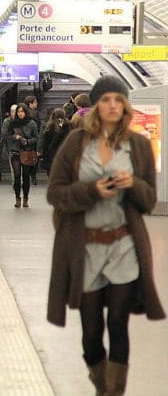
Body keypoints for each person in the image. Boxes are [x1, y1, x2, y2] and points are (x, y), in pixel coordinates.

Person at [46, 75, 165, 395]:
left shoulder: (138, 145)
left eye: (118, 100)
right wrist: (91, 190)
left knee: (118, 323)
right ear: (97, 106)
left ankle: (113, 392)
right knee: (91, 331)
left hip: (124, 246)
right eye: (106, 100)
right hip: (86, 248)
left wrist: (132, 185)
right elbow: (56, 193)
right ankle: (100, 379)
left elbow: (149, 200)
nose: (112, 106)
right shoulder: (75, 144)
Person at [3, 104, 38, 208]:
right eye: (18, 112)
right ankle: (17, 198)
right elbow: (6, 135)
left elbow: (36, 137)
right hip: (15, 151)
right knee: (17, 176)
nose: (20, 114)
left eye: (22, 111)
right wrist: (15, 137)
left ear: (26, 112)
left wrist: (27, 141)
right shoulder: (12, 123)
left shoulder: (32, 123)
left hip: (27, 152)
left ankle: (26, 198)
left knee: (26, 176)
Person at [37, 108, 70, 175]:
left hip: (51, 154)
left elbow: (44, 140)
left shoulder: (49, 127)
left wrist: (42, 151)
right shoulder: (67, 127)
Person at [24, 95, 41, 185]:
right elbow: (38, 126)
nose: (36, 104)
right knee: (34, 158)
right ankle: (33, 175)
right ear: (30, 103)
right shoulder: (34, 113)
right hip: (33, 139)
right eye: (35, 102)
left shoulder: (22, 113)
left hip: (24, 139)